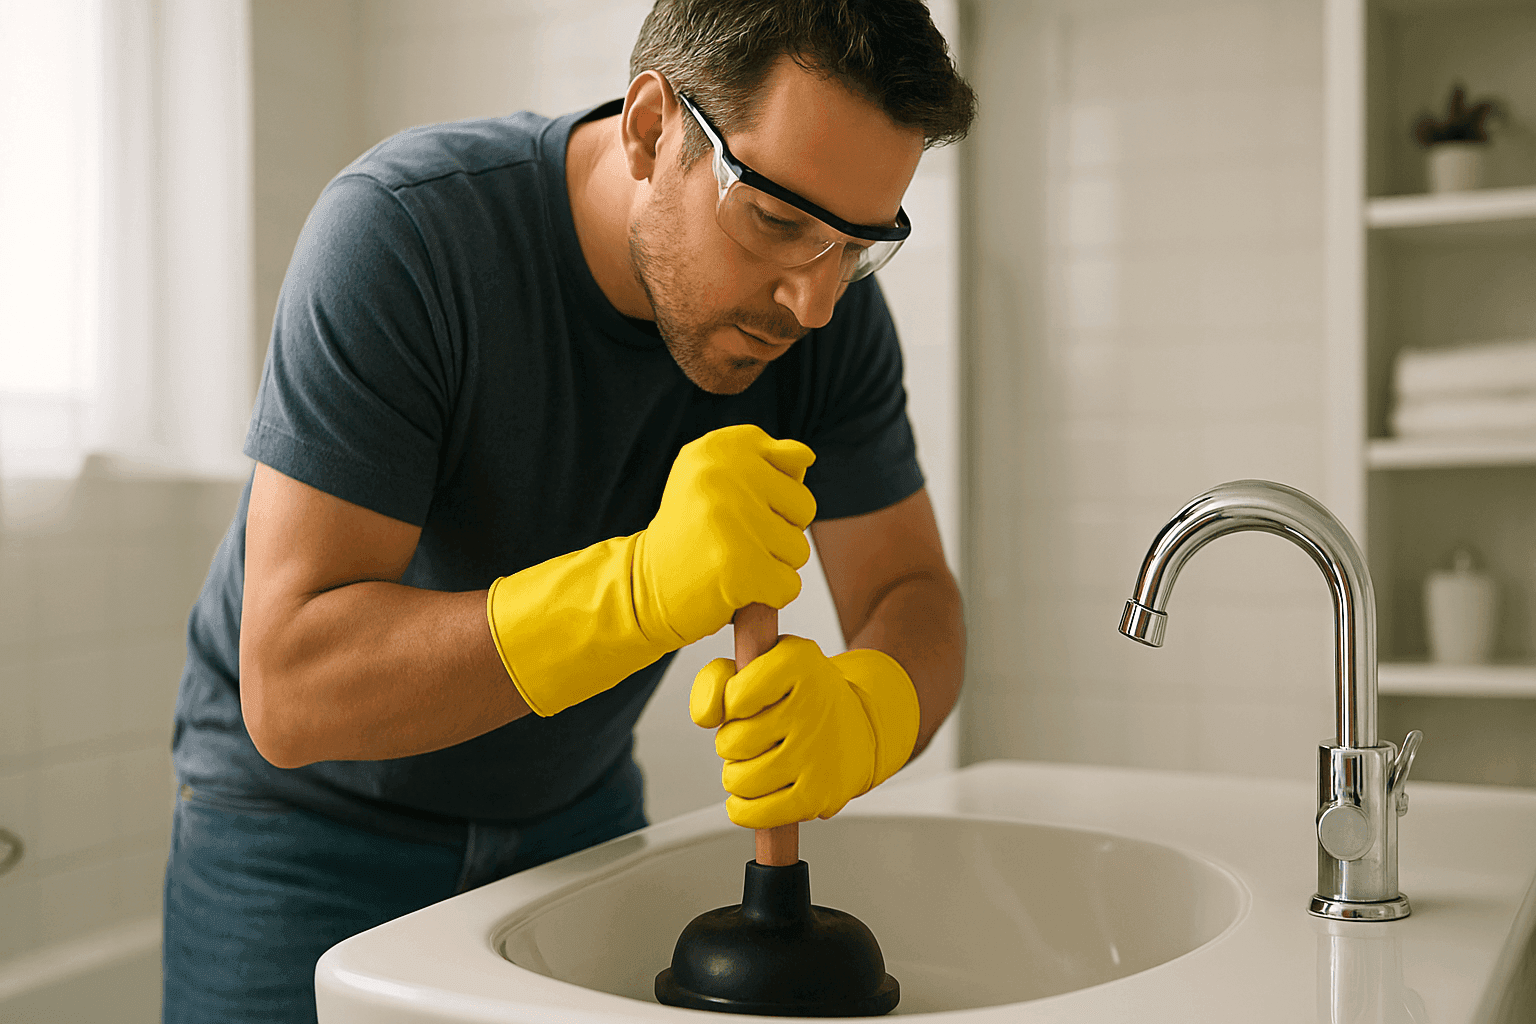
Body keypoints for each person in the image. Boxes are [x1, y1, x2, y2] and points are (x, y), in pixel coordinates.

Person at [161, 1, 974, 1021]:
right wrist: (637, 591)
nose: (812, 302)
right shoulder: (406, 234)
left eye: (859, 243)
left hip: (575, 821)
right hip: (304, 837)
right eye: (776, 220)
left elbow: (912, 593)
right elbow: (292, 689)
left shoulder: (824, 316)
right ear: (649, 129)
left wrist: (869, 709)